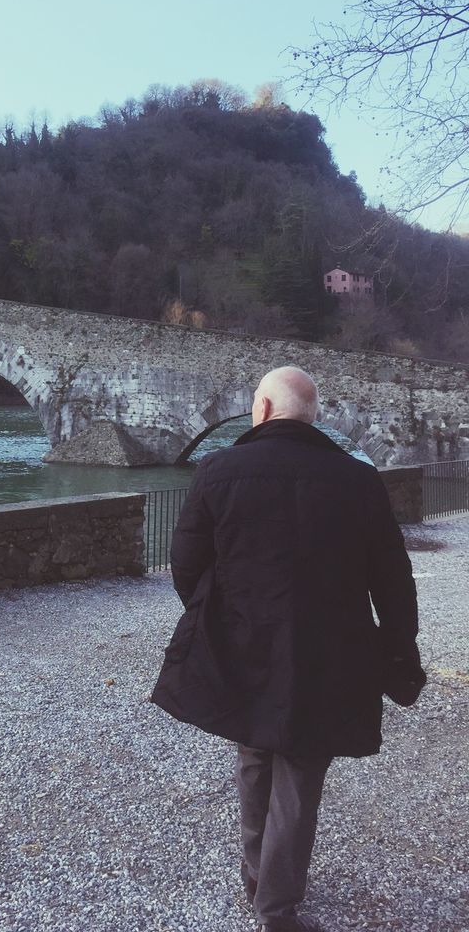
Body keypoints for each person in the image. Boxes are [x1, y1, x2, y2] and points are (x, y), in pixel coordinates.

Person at [151, 366, 426, 932]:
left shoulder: (219, 470)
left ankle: (261, 880)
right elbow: (393, 580)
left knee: (255, 752)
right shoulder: (359, 480)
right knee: (299, 771)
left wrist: (215, 618)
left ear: (264, 409)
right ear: (311, 414)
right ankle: (276, 908)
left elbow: (187, 564)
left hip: (244, 639)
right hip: (332, 650)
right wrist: (400, 650)